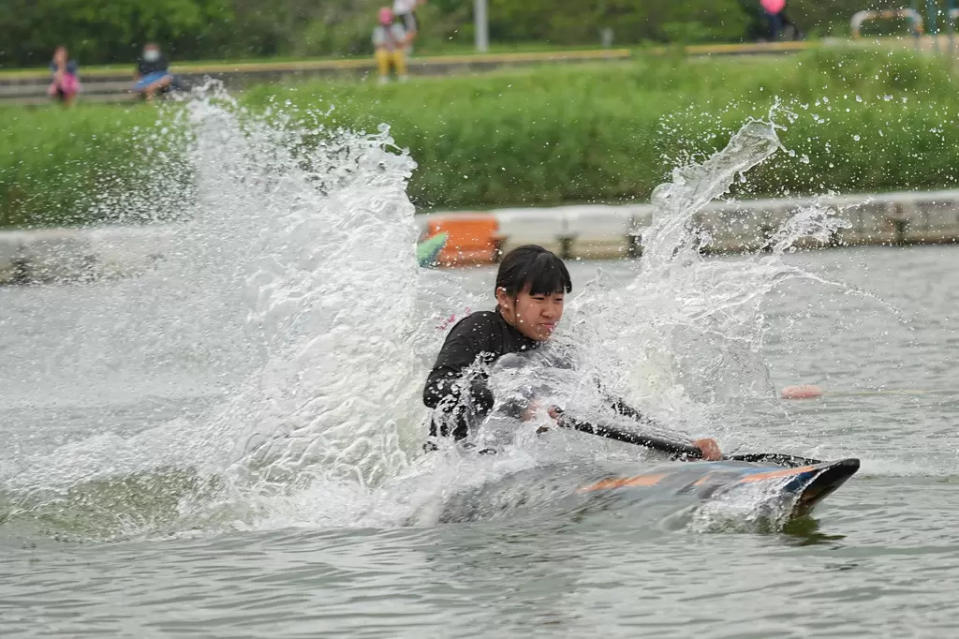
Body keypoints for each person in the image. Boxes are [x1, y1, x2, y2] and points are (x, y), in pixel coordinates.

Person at [422, 244, 722, 459]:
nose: (550, 313)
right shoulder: (480, 328)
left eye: (557, 300)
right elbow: (436, 388)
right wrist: (517, 404)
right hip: (455, 462)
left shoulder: (556, 355)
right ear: (504, 297)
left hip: (508, 462)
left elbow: (609, 407)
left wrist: (682, 444)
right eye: (539, 299)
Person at [372, 7, 409, 84]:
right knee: (381, 54)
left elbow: (402, 42)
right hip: (385, 53)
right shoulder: (378, 30)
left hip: (396, 51)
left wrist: (394, 39)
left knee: (398, 54)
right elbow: (377, 45)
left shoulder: (398, 28)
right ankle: (383, 77)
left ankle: (402, 76)